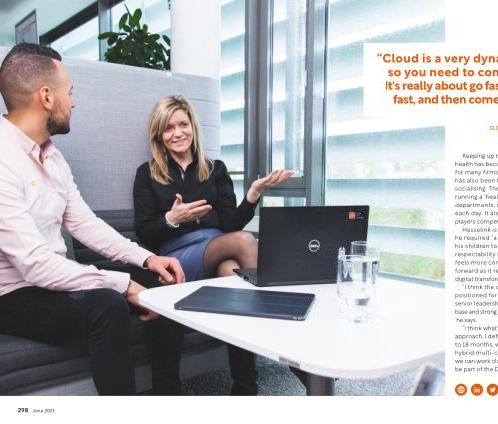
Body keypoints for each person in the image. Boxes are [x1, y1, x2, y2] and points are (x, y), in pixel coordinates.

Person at [0, 43, 186, 395]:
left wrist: (147, 258)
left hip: (52, 278)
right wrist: (122, 285)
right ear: (46, 97)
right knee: (107, 305)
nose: (72, 102)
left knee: (159, 282)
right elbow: (34, 265)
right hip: (13, 295)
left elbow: (85, 224)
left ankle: (167, 397)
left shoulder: (53, 157)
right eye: (68, 92)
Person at [134, 94, 292, 395]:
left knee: (234, 276)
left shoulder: (215, 169)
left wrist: (253, 195)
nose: (178, 133)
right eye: (168, 128)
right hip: (177, 257)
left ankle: (245, 388)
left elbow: (230, 224)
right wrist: (171, 219)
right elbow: (145, 234)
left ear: (193, 126)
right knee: (245, 241)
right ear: (159, 135)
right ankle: (281, 331)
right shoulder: (147, 173)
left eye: (183, 124)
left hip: (218, 248)